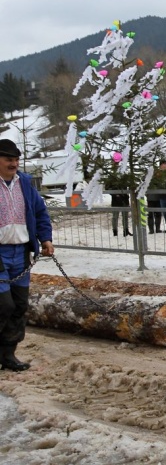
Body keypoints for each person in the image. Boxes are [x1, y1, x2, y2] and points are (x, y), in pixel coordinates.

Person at [0, 139, 55, 371]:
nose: (13, 164)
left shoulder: (24, 183)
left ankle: (8, 354)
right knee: (3, 306)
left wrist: (45, 238)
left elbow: (40, 212)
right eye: (8, 160)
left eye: (15, 160)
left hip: (21, 252)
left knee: (20, 305)